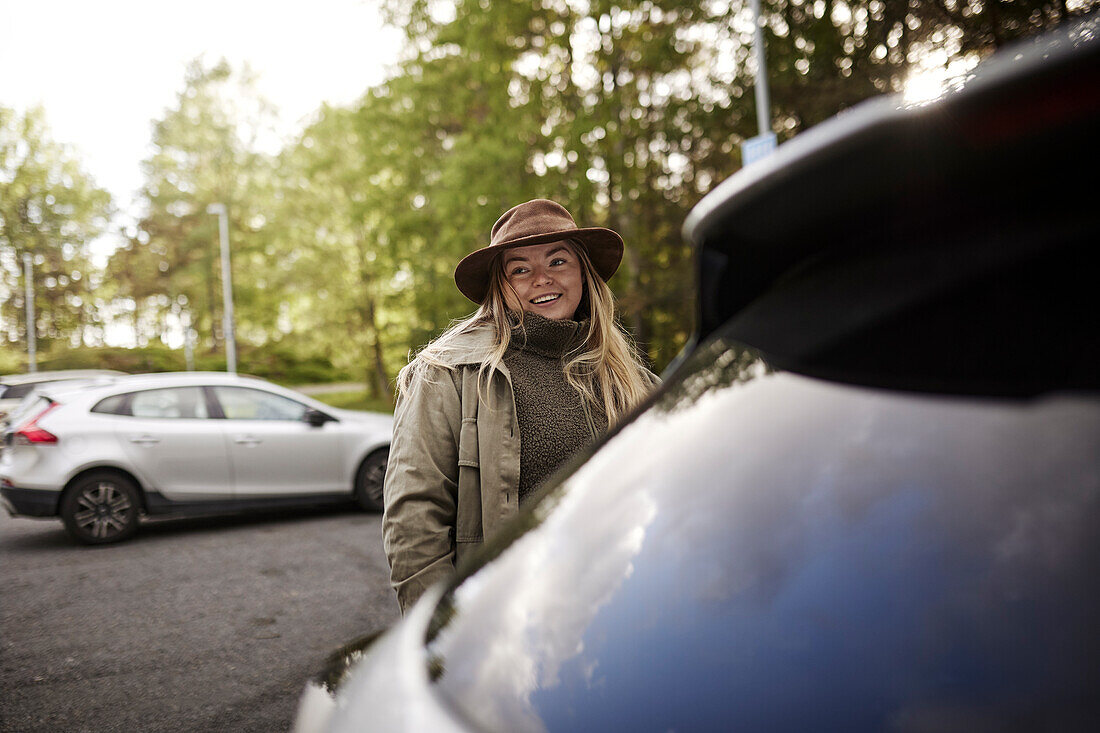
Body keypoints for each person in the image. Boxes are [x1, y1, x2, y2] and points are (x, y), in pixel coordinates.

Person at [382, 198, 658, 613]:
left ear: (583, 272)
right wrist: (444, 636)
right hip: (507, 625)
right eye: (520, 269)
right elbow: (414, 520)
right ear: (500, 285)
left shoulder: (627, 375)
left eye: (558, 261)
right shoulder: (446, 373)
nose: (542, 279)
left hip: (621, 608)